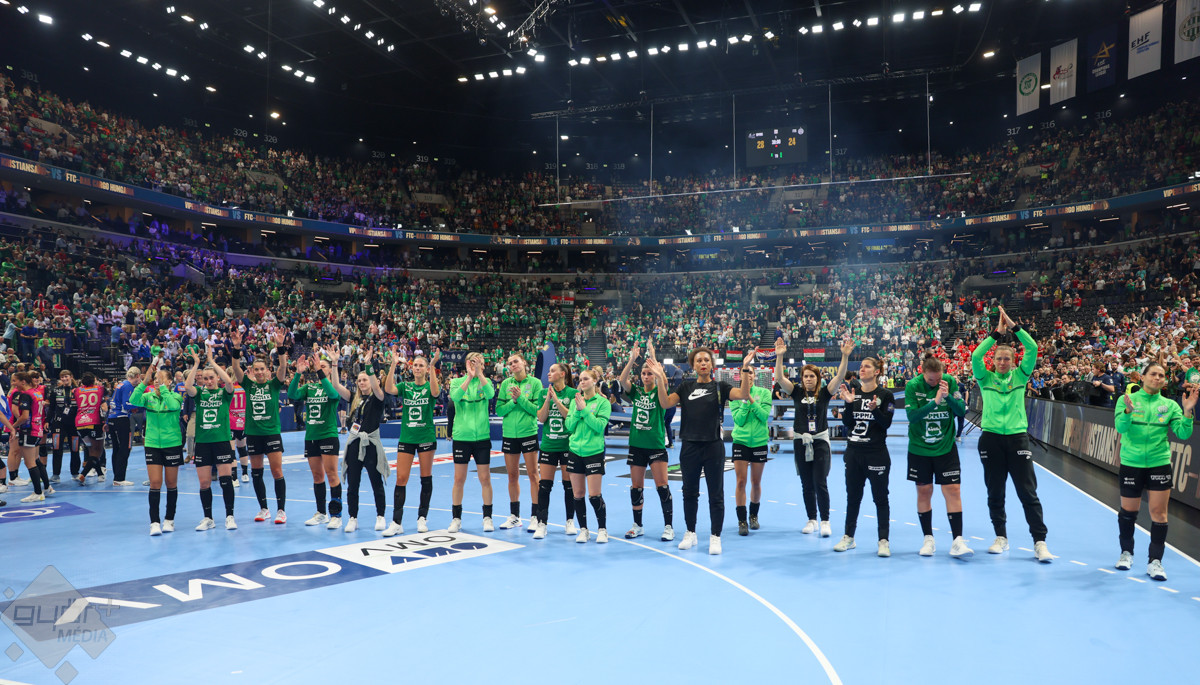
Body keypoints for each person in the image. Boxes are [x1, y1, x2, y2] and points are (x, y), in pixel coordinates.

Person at [971, 306, 1053, 562]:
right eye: (999, 359)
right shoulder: (985, 378)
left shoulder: (1020, 375)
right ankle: (1001, 537)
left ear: (1014, 361)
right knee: (995, 492)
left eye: (1007, 359)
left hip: (1018, 438)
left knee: (1027, 492)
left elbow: (1033, 348)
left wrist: (1014, 327)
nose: (1003, 362)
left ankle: (1039, 542)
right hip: (991, 439)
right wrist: (996, 334)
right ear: (994, 361)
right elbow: (976, 355)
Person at [661, 347, 754, 555]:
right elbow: (665, 403)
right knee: (689, 492)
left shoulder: (720, 387)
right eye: (698, 360)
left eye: (706, 360)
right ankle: (690, 532)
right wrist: (660, 378)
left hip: (713, 447)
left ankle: (715, 536)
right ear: (693, 365)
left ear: (711, 364)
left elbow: (743, 394)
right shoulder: (685, 387)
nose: (703, 363)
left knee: (716, 494)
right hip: (690, 447)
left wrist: (745, 368)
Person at [1114, 364, 1196, 581]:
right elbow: (1121, 428)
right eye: (1153, 374)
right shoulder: (1126, 400)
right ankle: (1126, 553)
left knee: (1159, 514)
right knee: (1128, 512)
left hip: (1159, 464)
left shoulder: (1170, 405)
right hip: (1131, 463)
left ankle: (1155, 562)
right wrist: (1128, 411)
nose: (1158, 378)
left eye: (1161, 375)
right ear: (1143, 377)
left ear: (1164, 381)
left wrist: (1187, 412)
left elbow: (1183, 434)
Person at [775, 337, 853, 537]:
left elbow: (840, 376)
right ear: (802, 379)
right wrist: (780, 356)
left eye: (812, 376)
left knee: (820, 481)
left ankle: (825, 521)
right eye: (805, 376)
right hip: (801, 441)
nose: (808, 379)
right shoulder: (796, 392)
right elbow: (779, 379)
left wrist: (844, 356)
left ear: (818, 378)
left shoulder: (825, 393)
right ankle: (812, 520)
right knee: (806, 483)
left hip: (820, 441)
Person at [905, 355, 973, 558]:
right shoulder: (913, 386)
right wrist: (935, 402)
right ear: (923, 373)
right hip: (920, 448)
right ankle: (928, 539)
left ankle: (957, 541)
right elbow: (912, 417)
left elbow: (961, 411)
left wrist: (948, 396)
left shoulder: (950, 381)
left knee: (953, 490)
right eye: (931, 380)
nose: (935, 383)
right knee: (924, 492)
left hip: (946, 447)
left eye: (938, 379)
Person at [832, 356, 896, 557]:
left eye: (867, 367)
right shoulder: (854, 393)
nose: (862, 369)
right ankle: (848, 537)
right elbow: (848, 423)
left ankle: (883, 541)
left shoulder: (885, 395)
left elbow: (886, 424)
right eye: (861, 366)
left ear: (876, 371)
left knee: (880, 498)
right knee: (853, 497)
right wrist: (848, 404)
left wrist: (875, 410)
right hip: (853, 453)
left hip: (876, 454)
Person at [230, 331, 289, 524]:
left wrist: (280, 347)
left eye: (262, 369)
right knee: (256, 472)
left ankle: (281, 510)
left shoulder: (274, 385)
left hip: (271, 433)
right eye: (256, 369)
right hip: (254, 434)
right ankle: (264, 509)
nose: (260, 372)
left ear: (268, 370)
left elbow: (283, 367)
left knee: (277, 472)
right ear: (252, 371)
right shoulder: (248, 385)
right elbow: (235, 367)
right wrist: (237, 347)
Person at [288, 346, 350, 530]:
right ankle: (321, 513)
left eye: (323, 366)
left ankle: (336, 515)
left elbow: (333, 395)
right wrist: (298, 374)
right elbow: (292, 394)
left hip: (328, 436)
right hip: (311, 436)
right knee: (317, 476)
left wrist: (319, 372)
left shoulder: (332, 387)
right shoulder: (309, 387)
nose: (319, 368)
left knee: (332, 474)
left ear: (329, 370)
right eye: (318, 365)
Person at [616, 344, 673, 541]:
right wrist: (632, 359)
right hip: (637, 446)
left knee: (662, 486)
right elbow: (622, 380)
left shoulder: (660, 393)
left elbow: (663, 383)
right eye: (644, 373)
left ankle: (668, 527)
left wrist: (654, 358)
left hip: (655, 446)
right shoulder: (637, 392)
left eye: (650, 373)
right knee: (636, 487)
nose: (646, 376)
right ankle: (637, 526)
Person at [383, 347, 441, 536]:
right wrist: (393, 364)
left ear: (426, 369)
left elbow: (435, 392)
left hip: (426, 437)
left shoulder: (430, 385)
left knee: (426, 477)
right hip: (407, 437)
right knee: (401, 478)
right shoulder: (405, 387)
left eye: (421, 365)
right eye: (415, 365)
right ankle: (396, 522)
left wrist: (433, 366)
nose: (417, 368)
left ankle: (422, 518)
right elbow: (388, 389)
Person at [183, 345, 239, 531]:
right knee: (204, 483)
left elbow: (229, 382)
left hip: (221, 441)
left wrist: (213, 362)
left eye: (211, 378)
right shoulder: (200, 394)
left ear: (217, 378)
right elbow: (188, 386)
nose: (208, 381)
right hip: (203, 443)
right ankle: (208, 518)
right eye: (205, 378)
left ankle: (230, 516)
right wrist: (196, 364)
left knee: (225, 480)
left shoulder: (224, 393)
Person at [128, 356, 183, 535]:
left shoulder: (175, 396)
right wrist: (145, 382)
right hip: (152, 444)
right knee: (155, 483)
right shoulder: (147, 396)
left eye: (161, 378)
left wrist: (163, 389)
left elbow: (172, 406)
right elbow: (133, 400)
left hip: (172, 443)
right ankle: (154, 522)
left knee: (171, 483)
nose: (157, 381)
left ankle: (169, 519)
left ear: (169, 381)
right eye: (156, 379)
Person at [341, 348, 389, 533]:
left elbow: (377, 387)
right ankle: (352, 518)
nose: (361, 383)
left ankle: (380, 516)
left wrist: (368, 366)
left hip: (371, 445)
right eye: (359, 380)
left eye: (365, 380)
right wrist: (335, 365)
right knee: (353, 484)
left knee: (376, 482)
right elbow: (336, 386)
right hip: (354, 444)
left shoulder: (378, 398)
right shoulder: (355, 399)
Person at [564, 368, 613, 543]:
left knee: (594, 495)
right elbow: (569, 426)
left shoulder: (603, 403)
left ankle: (602, 529)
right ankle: (583, 530)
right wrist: (578, 410)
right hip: (575, 451)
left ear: (594, 381)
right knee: (578, 494)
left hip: (593, 453)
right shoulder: (575, 401)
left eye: (586, 379)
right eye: (580, 379)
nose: (582, 382)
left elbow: (599, 426)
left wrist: (584, 410)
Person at [448, 351, 495, 533]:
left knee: (485, 478)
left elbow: (490, 394)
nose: (477, 365)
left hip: (482, 437)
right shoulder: (457, 382)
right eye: (473, 362)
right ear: (467, 364)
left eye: (480, 362)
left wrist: (480, 375)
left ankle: (487, 518)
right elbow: (455, 398)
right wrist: (469, 377)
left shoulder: (486, 382)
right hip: (462, 437)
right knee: (459, 479)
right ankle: (456, 519)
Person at [496, 353, 543, 531]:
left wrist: (520, 398)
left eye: (515, 361)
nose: (513, 365)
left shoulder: (535, 383)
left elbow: (537, 410)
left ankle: (536, 516)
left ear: (524, 362)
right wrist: (514, 402)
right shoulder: (505, 384)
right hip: (509, 434)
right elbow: (499, 410)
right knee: (512, 476)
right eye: (510, 363)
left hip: (528, 433)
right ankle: (515, 516)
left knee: (533, 475)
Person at [533, 362, 578, 538]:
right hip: (548, 445)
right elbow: (542, 418)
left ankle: (570, 521)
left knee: (569, 486)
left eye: (552, 371)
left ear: (562, 374)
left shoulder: (573, 394)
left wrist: (557, 401)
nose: (549, 373)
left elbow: (570, 416)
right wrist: (547, 400)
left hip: (567, 445)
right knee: (544, 486)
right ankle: (542, 523)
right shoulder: (543, 393)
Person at [731, 363, 773, 537]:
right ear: (740, 376)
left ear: (754, 376)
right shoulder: (733, 395)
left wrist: (750, 398)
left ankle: (753, 516)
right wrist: (744, 400)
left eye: (751, 372)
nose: (748, 375)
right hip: (740, 442)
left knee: (756, 482)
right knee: (741, 482)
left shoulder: (764, 393)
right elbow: (739, 420)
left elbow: (764, 416)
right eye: (745, 372)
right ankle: (742, 520)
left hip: (759, 442)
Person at [106, 367, 139, 487]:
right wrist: (141, 405)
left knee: (116, 448)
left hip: (113, 419)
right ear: (137, 376)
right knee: (125, 448)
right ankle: (119, 478)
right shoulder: (128, 386)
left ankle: (117, 477)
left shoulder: (120, 384)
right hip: (121, 419)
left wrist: (107, 421)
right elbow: (127, 404)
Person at [74, 372, 106, 484]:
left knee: (91, 450)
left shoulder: (77, 390)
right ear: (94, 380)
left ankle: (100, 475)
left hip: (80, 423)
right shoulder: (100, 389)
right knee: (98, 451)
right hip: (94, 422)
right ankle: (83, 474)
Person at [47, 370, 79, 482]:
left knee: (75, 448)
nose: (64, 379)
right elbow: (51, 408)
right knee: (56, 448)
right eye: (62, 377)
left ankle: (75, 473)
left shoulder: (78, 390)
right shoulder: (55, 391)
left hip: (74, 424)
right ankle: (56, 474)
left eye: (66, 376)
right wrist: (47, 421)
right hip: (58, 423)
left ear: (71, 377)